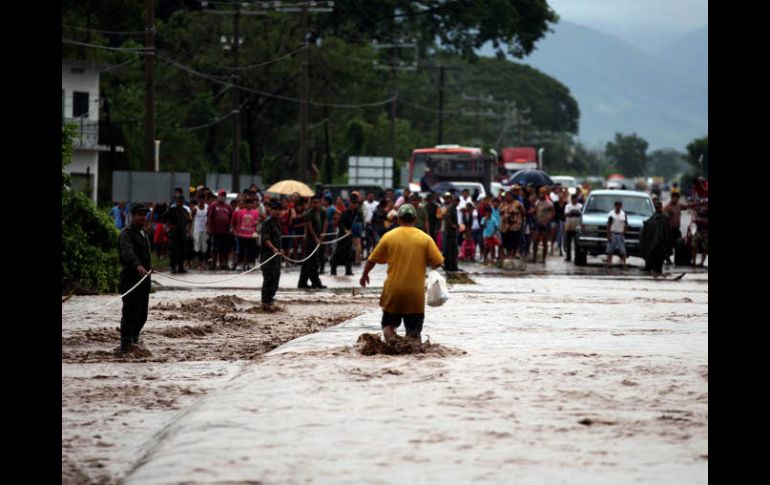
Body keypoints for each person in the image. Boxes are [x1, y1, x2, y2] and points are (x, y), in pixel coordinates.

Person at [359, 203, 444, 348]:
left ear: (398, 219)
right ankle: (410, 350)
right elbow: (437, 262)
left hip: (394, 292)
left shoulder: (389, 237)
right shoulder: (425, 238)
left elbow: (372, 259)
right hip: (415, 294)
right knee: (414, 334)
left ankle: (394, 345)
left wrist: (364, 275)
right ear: (415, 219)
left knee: (388, 326)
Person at [118, 203, 152, 353]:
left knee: (142, 315)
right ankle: (125, 345)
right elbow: (127, 253)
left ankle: (134, 342)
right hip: (130, 281)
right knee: (130, 314)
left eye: (145, 215)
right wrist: (137, 265)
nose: (143, 218)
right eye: (140, 214)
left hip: (144, 281)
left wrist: (149, 268)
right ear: (132, 216)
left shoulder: (144, 234)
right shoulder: (126, 234)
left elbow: (146, 255)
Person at [298, 195, 327, 289]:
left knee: (308, 263)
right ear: (311, 203)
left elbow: (326, 222)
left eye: (317, 202)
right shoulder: (309, 213)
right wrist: (316, 238)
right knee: (313, 263)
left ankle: (302, 282)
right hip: (310, 241)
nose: (316, 204)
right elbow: (309, 227)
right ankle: (316, 282)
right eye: (314, 202)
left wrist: (323, 234)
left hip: (317, 240)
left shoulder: (320, 212)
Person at [260, 200, 284, 309]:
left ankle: (270, 300)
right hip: (267, 257)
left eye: (280, 210)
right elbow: (266, 239)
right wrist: (273, 248)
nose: (278, 212)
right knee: (268, 279)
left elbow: (277, 239)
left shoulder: (277, 223)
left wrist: (280, 249)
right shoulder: (267, 223)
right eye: (276, 210)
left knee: (276, 279)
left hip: (276, 258)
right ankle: (265, 302)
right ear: (271, 210)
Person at [640, 200, 672, 275]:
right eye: (656, 207)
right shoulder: (652, 218)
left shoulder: (665, 219)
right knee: (651, 261)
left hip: (661, 245)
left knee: (659, 264)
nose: (658, 209)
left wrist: (667, 245)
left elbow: (667, 233)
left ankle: (658, 275)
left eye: (659, 207)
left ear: (661, 207)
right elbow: (647, 230)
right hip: (653, 245)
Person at [331, 194, 358, 276]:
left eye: (356, 203)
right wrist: (345, 230)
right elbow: (341, 223)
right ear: (350, 203)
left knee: (348, 253)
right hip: (342, 236)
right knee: (338, 253)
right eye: (353, 203)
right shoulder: (345, 213)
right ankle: (333, 270)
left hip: (349, 236)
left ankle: (348, 270)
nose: (354, 205)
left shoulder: (355, 212)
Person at [207, 190, 233, 270]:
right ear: (218, 196)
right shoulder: (213, 205)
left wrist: (230, 228)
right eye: (221, 195)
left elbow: (231, 218)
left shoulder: (228, 206)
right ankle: (213, 264)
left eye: (224, 195)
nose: (222, 197)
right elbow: (209, 217)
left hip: (225, 231)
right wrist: (209, 228)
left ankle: (223, 264)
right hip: (215, 231)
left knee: (224, 249)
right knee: (215, 248)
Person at [165, 194, 191, 274]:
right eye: (179, 201)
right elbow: (165, 218)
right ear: (177, 202)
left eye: (182, 202)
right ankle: (173, 267)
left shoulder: (185, 211)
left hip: (182, 234)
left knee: (182, 252)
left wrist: (187, 230)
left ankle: (181, 267)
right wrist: (169, 226)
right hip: (173, 234)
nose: (181, 203)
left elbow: (188, 221)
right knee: (174, 252)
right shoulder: (171, 210)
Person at [530, 187, 555, 264]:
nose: (542, 194)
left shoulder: (549, 203)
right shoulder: (537, 202)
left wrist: (547, 221)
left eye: (543, 193)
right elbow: (535, 210)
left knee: (544, 242)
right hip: (538, 223)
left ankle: (543, 259)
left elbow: (553, 213)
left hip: (545, 224)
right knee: (535, 241)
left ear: (546, 194)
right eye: (541, 193)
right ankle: (534, 257)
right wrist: (532, 212)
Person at [606, 200, 628, 267]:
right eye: (616, 205)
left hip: (620, 234)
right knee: (610, 250)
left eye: (619, 205)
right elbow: (608, 225)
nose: (618, 207)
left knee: (623, 250)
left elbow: (626, 224)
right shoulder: (611, 214)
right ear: (615, 206)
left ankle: (624, 264)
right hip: (613, 233)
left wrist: (624, 232)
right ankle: (609, 263)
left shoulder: (623, 214)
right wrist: (609, 235)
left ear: (621, 206)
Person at [441, 192, 459, 271]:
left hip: (451, 232)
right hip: (446, 231)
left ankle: (452, 266)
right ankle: (448, 266)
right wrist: (452, 224)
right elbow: (444, 216)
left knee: (453, 250)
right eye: (446, 198)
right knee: (447, 249)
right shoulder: (446, 207)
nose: (447, 199)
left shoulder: (452, 207)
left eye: (449, 198)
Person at [563, 193, 583, 262]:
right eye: (573, 199)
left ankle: (577, 257)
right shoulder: (568, 206)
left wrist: (575, 213)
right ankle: (568, 257)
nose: (574, 200)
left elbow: (582, 215)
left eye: (575, 198)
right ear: (571, 199)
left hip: (577, 226)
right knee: (568, 243)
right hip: (569, 226)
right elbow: (566, 214)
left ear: (577, 199)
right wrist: (572, 212)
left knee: (577, 243)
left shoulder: (580, 206)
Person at [191, 196, 209, 270]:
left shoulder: (207, 208)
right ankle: (198, 263)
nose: (201, 201)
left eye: (203, 200)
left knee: (204, 247)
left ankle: (204, 263)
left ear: (204, 200)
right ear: (198, 200)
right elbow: (191, 218)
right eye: (200, 200)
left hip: (205, 229)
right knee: (197, 247)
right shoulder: (195, 208)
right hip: (197, 230)